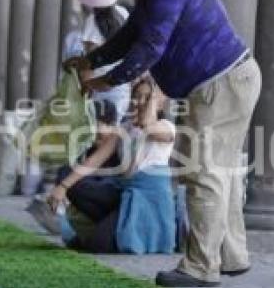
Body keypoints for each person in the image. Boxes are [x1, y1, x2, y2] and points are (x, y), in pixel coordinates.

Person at [65, 0, 261, 287]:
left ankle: (201, 266)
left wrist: (105, 80)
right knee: (220, 170)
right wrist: (91, 61)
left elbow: (150, 46)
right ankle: (231, 255)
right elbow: (131, 34)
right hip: (225, 80)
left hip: (223, 82)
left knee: (205, 172)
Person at [41, 78, 176, 254]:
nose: (140, 102)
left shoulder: (167, 127)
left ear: (159, 103)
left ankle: (109, 228)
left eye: (146, 98)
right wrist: (63, 186)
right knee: (69, 177)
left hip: (148, 199)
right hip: (122, 192)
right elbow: (95, 160)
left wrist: (153, 99)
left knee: (98, 245)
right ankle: (109, 222)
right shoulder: (124, 128)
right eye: (136, 97)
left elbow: (147, 126)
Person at [74, 0, 131, 124]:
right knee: (114, 135)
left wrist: (83, 93)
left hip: (100, 88)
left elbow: (89, 66)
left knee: (98, 136)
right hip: (123, 88)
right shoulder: (123, 14)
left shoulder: (91, 24)